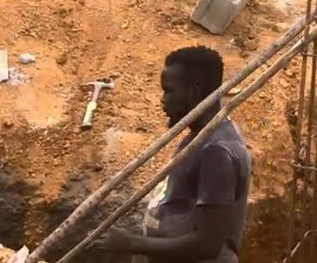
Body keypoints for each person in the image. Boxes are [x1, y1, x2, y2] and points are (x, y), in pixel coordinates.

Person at [97, 46, 252, 262]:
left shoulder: (216, 151)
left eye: (169, 91)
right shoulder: (200, 137)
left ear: (195, 91)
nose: (163, 99)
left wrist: (134, 243)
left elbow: (208, 245)